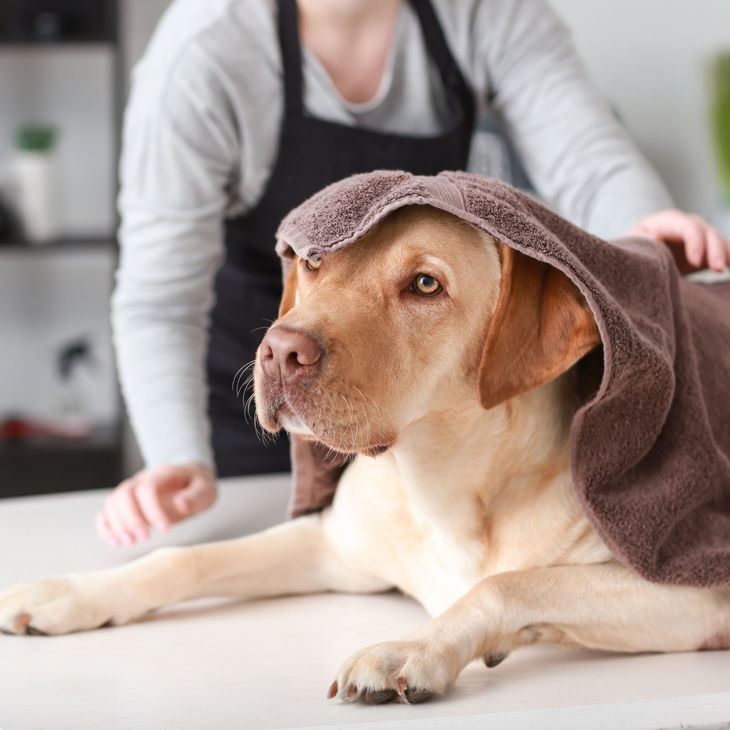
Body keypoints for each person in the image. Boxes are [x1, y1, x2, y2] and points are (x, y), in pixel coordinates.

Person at [98, 0, 730, 547]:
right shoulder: (204, 55)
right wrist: (176, 455)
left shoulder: (482, 12)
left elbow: (589, 163)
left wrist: (643, 225)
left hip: (412, 402)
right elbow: (161, 299)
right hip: (262, 391)